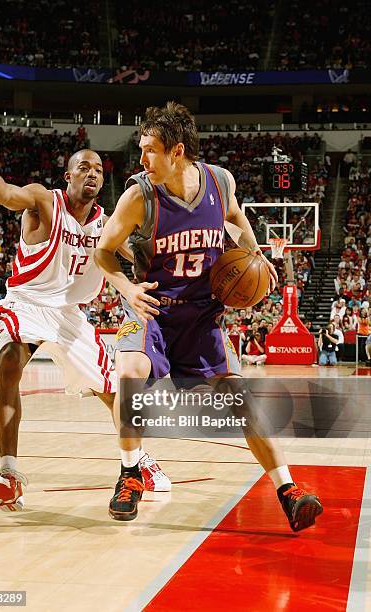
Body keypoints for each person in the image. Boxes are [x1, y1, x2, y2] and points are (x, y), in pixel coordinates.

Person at [95, 102, 322, 530]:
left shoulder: (220, 182)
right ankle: (129, 476)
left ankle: (288, 491)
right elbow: (103, 250)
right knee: (129, 372)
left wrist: (253, 252)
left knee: (243, 401)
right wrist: (126, 287)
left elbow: (236, 217)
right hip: (152, 309)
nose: (141, 159)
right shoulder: (139, 195)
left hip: (202, 318)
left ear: (176, 151)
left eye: (149, 150)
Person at [0, 118, 170, 512]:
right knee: (10, 361)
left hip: (70, 315)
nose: (92, 174)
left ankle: (138, 460)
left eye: (98, 170)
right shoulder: (44, 200)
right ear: (68, 175)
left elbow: (142, 258)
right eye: (84, 168)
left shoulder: (106, 224)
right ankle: (8, 470)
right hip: (27, 301)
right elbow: (5, 194)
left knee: (112, 391)